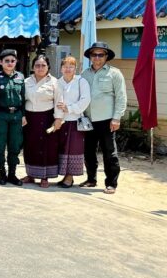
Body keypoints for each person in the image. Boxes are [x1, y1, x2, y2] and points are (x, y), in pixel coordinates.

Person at [80, 42, 127, 194]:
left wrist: (117, 118)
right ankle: (91, 179)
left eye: (101, 54)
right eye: (94, 54)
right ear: (90, 57)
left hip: (107, 120)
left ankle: (111, 183)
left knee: (109, 152)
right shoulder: (84, 74)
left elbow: (121, 97)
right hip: (88, 120)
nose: (97, 57)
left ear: (106, 57)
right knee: (88, 152)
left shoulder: (115, 73)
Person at [22, 55, 63, 188]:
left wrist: (58, 119)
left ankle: (45, 177)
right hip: (29, 119)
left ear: (48, 67)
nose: (40, 68)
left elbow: (59, 101)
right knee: (30, 146)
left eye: (43, 65)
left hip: (47, 118)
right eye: (37, 65)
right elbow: (21, 101)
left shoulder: (54, 82)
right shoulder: (26, 81)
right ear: (33, 67)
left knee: (46, 148)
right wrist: (22, 115)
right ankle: (31, 175)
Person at [0, 49, 26, 186]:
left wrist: (24, 115)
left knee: (15, 146)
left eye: (12, 61)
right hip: (1, 115)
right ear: (1, 62)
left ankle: (12, 174)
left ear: (16, 62)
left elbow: (23, 98)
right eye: (7, 61)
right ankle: (2, 174)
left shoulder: (20, 77)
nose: (10, 63)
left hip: (16, 115)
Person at [54, 56, 91, 188]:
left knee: (73, 149)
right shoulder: (57, 82)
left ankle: (70, 177)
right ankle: (64, 175)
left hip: (75, 121)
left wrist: (69, 108)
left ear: (76, 68)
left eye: (71, 66)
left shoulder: (81, 81)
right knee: (62, 148)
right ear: (61, 68)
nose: (68, 69)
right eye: (65, 66)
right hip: (60, 121)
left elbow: (85, 100)